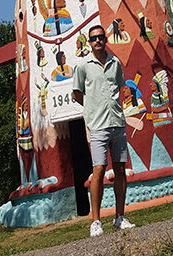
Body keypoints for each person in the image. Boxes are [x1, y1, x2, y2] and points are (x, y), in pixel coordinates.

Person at [72, 25, 135, 237]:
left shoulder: (115, 62)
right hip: (98, 124)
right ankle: (96, 221)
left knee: (120, 169)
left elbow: (120, 87)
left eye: (100, 37)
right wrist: (91, 109)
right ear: (89, 42)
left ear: (105, 39)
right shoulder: (83, 66)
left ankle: (120, 217)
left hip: (117, 121)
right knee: (98, 169)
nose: (97, 41)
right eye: (93, 38)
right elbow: (77, 93)